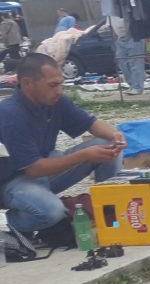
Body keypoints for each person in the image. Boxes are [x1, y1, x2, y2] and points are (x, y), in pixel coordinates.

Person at [0, 53, 125, 238]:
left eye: (60, 84)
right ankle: (13, 224)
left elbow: (90, 123)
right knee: (52, 212)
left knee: (108, 146)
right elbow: (32, 169)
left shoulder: (55, 101)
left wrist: (116, 136)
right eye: (52, 85)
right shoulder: (10, 113)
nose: (59, 91)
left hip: (43, 172)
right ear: (27, 83)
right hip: (12, 183)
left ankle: (109, 212)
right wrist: (83, 156)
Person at [110, 15, 146, 94]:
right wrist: (114, 42)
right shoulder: (110, 14)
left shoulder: (127, 9)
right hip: (120, 39)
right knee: (122, 63)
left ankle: (137, 88)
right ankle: (132, 85)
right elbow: (112, 28)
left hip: (134, 37)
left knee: (135, 64)